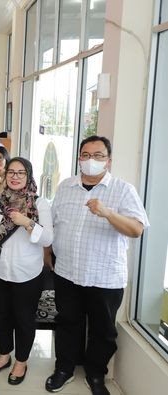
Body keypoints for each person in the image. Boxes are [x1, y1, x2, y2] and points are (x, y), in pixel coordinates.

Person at [45, 136, 149, 395]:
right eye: (85, 154)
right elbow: (53, 222)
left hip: (104, 275)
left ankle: (95, 375)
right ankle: (64, 369)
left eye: (98, 155)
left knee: (103, 330)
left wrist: (108, 213)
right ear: (79, 158)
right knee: (68, 323)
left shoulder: (123, 190)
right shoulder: (66, 186)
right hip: (68, 271)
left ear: (108, 160)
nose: (90, 160)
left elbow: (137, 229)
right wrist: (47, 250)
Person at [0, 157, 53, 385]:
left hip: (27, 274)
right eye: (11, 172)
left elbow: (48, 238)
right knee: (0, 317)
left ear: (28, 176)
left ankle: (21, 361)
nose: (15, 176)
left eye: (21, 173)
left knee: (23, 320)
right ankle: (4, 354)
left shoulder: (40, 204)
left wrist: (27, 222)